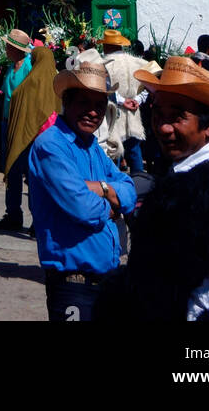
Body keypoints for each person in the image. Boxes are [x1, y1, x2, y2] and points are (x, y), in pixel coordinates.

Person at [94, 55, 209, 322]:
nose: (163, 127)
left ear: (208, 125)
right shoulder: (184, 174)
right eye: (157, 114)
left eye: (177, 117)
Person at [27, 57, 137, 322]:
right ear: (66, 102)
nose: (93, 112)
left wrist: (102, 188)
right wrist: (112, 203)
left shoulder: (92, 147)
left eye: (99, 106)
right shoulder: (51, 146)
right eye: (84, 103)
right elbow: (84, 209)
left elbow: (130, 190)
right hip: (73, 286)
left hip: (105, 281)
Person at [0, 45, 58, 231]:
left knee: (20, 176)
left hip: (25, 137)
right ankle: (38, 222)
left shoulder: (30, 83)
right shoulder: (57, 83)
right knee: (37, 180)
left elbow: (18, 101)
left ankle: (15, 216)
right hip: (48, 141)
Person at [0, 27, 32, 229]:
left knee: (30, 172)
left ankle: (37, 218)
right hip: (8, 123)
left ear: (16, 48)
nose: (5, 48)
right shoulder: (11, 67)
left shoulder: (28, 67)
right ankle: (13, 214)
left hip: (24, 125)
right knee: (12, 171)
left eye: (8, 46)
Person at [101, 27, 146, 173]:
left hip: (114, 114)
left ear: (108, 46)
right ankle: (140, 185)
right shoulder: (139, 63)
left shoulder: (105, 64)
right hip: (134, 112)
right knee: (134, 150)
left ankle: (115, 187)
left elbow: (107, 89)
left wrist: (121, 101)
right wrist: (138, 99)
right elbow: (148, 86)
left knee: (114, 151)